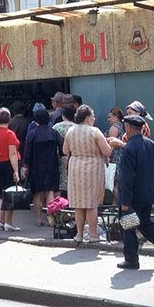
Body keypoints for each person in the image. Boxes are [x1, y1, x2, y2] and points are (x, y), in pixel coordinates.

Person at [115, 114, 154, 269]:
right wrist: (153, 193)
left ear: (128, 127)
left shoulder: (129, 148)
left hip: (132, 197)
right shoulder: (151, 144)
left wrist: (125, 202)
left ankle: (131, 259)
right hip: (147, 194)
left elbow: (127, 177)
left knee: (128, 227)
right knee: (144, 224)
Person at [63, 104, 112, 243]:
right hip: (92, 168)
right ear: (88, 118)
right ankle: (93, 234)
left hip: (75, 167)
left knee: (79, 203)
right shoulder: (95, 131)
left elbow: (65, 150)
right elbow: (107, 151)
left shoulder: (70, 131)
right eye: (93, 116)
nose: (94, 118)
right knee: (91, 203)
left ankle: (79, 234)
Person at [23, 107, 62, 226]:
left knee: (37, 192)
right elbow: (62, 147)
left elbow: (27, 152)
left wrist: (25, 165)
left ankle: (39, 219)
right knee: (50, 190)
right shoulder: (54, 132)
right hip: (52, 164)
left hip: (36, 165)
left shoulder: (32, 133)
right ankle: (51, 219)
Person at [0, 107, 22, 232]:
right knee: (10, 193)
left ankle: (0, 220)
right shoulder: (10, 134)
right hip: (8, 164)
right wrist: (16, 171)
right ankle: (9, 222)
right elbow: (12, 154)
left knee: (3, 193)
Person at [52, 105, 78, 196]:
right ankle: (73, 205)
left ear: (63, 115)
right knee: (73, 182)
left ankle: (58, 206)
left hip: (59, 157)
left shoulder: (56, 127)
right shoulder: (77, 128)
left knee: (59, 184)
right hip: (74, 157)